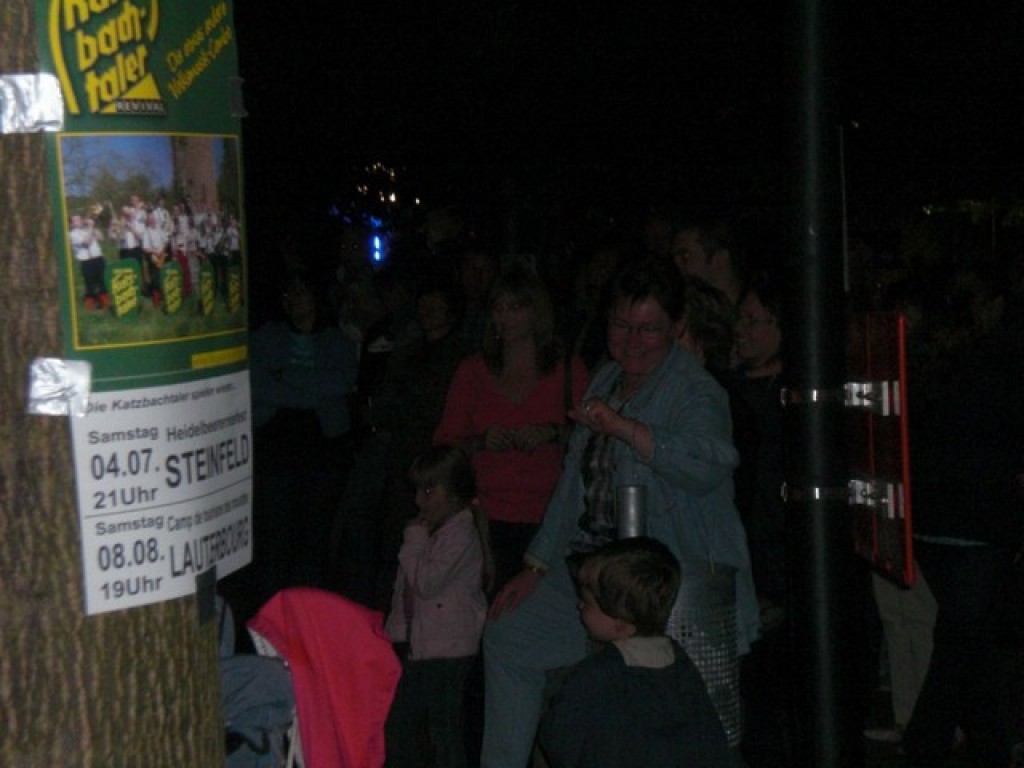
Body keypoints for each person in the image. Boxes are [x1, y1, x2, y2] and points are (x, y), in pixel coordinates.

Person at [481, 258, 757, 768]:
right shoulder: (606, 379)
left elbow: (709, 464)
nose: (633, 341)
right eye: (621, 325)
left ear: (676, 327)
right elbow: (573, 484)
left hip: (665, 585)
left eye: (648, 328)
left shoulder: (695, 391)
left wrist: (627, 431)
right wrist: (534, 567)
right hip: (596, 571)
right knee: (509, 633)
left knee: (685, 725)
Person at [434, 266, 588, 592]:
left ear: (536, 312)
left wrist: (552, 433)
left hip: (551, 517)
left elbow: (594, 438)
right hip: (486, 518)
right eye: (497, 307)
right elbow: (445, 444)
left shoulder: (567, 370)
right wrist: (481, 442)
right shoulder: (473, 372)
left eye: (514, 307)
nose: (503, 316)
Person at [538, 537, 731, 768]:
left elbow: (561, 736)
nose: (579, 606)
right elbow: (710, 737)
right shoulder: (679, 663)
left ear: (619, 622)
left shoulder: (596, 674)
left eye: (587, 602)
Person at [384, 445, 494, 768]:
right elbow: (404, 593)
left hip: (448, 652)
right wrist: (395, 632)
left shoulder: (460, 533)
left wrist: (413, 539)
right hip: (422, 647)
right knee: (400, 727)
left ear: (455, 492)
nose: (419, 500)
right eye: (418, 490)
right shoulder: (434, 532)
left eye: (429, 491)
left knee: (443, 731)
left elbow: (426, 583)